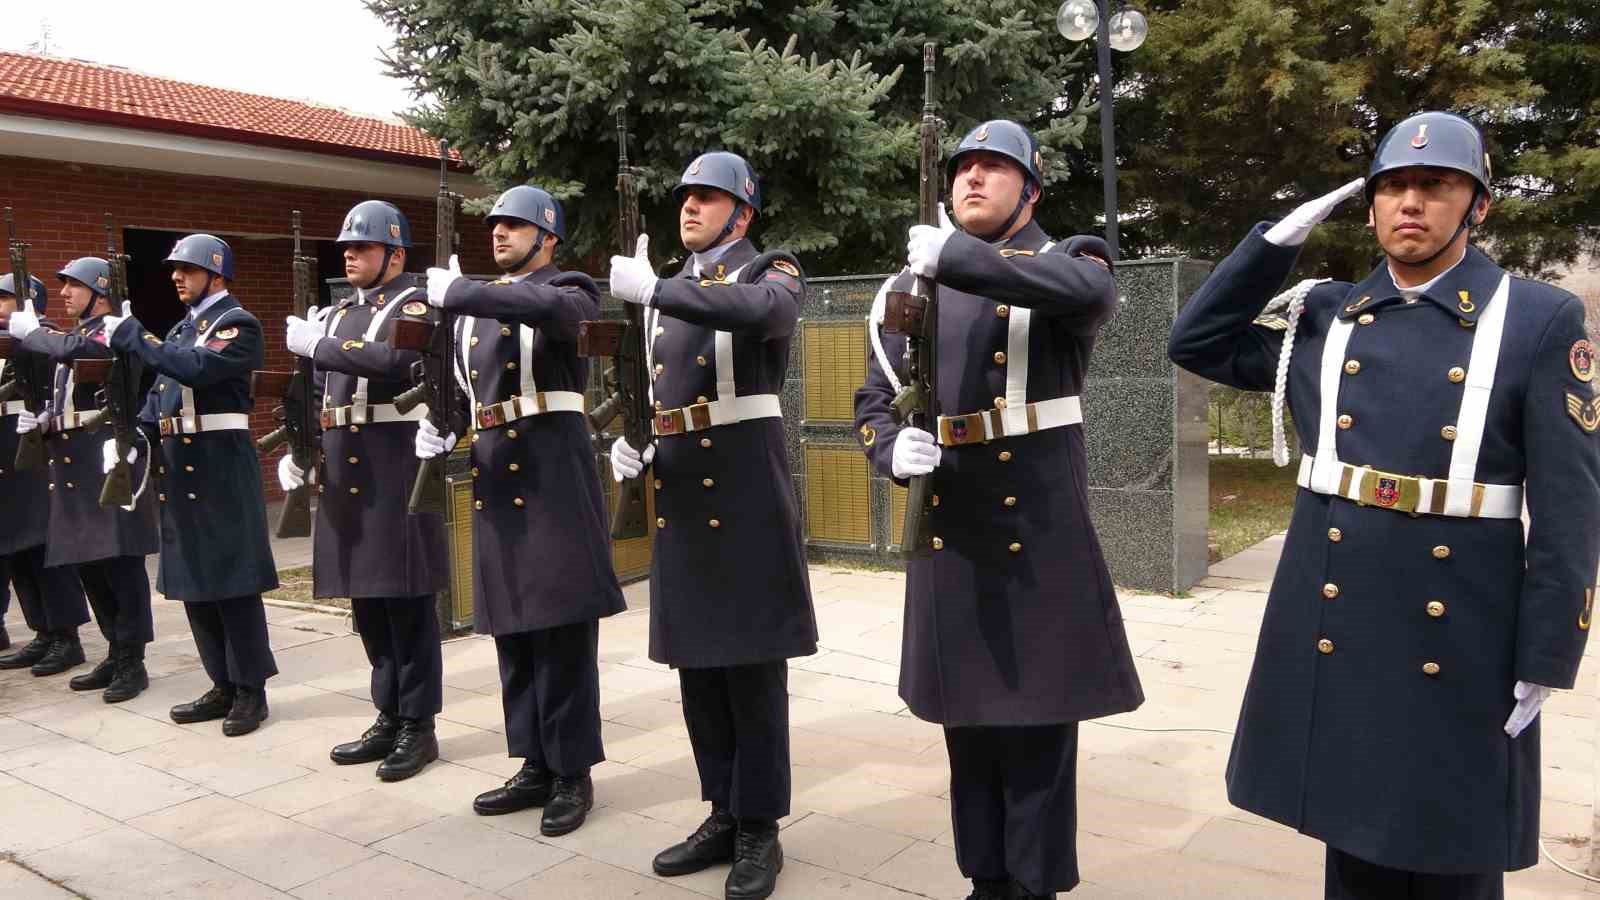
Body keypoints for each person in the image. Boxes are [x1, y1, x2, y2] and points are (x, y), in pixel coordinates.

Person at [1167, 111, 1599, 899]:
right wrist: (1272, 246)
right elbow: (1195, 341)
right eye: (1393, 186)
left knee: (1453, 848)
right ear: (1368, 206)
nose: (1411, 202)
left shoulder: (1536, 319)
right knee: (1351, 832)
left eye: (1436, 186)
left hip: (1463, 626)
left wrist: (1548, 654)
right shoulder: (1326, 315)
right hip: (1339, 615)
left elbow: (1570, 508)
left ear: (1477, 206)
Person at [853, 119, 1145, 900]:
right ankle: (986, 878)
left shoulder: (1068, 259)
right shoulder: (908, 286)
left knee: (1040, 730)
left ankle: (1034, 884)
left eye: (995, 168)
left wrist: (959, 258)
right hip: (951, 526)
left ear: (1032, 189)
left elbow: (1090, 295)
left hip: (1034, 532)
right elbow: (875, 399)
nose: (974, 179)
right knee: (968, 728)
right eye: (964, 169)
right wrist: (889, 449)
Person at [607, 151, 817, 900]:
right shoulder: (672, 290)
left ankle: (761, 827)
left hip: (745, 484)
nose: (690, 208)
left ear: (743, 214)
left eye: (709, 198)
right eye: (686, 198)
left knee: (753, 667)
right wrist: (635, 437)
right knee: (698, 665)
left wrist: (661, 289)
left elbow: (769, 316)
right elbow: (653, 383)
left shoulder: (771, 269)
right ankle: (722, 810)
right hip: (686, 491)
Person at [417, 185, 624, 835]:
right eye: (496, 225)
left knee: (561, 633)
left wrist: (463, 293)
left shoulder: (571, 290)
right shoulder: (473, 309)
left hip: (552, 476)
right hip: (496, 474)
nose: (500, 233)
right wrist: (441, 429)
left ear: (549, 238)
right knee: (514, 629)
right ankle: (533, 760)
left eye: (516, 225)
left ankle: (571, 771)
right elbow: (455, 386)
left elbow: (546, 311)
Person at [281, 201, 447, 780]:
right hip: (346, 470)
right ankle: (388, 712)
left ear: (395, 254)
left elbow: (398, 359)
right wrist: (300, 452)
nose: (349, 254)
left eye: (363, 246)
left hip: (393, 465)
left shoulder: (416, 302)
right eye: (346, 247)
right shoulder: (334, 314)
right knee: (368, 605)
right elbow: (316, 391)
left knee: (406, 601)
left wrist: (318, 345)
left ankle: (418, 725)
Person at [105, 234, 280, 736]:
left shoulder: (236, 324)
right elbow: (162, 393)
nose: (177, 276)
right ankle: (221, 682)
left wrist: (134, 333)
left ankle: (250, 690)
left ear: (216, 272)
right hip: (180, 467)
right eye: (174, 269)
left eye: (187, 268)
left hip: (220, 467)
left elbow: (195, 370)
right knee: (196, 583)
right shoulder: (185, 327)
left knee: (233, 582)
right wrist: (134, 436)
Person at [11, 258, 159, 700]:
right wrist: (45, 421)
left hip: (105, 458)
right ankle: (114, 650)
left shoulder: (113, 331)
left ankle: (132, 659)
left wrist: (34, 331)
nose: (63, 293)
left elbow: (77, 349)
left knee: (120, 563)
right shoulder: (76, 336)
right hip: (73, 463)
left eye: (73, 285)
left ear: (99, 290)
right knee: (89, 562)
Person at [0, 273, 91, 674]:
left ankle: (66, 635)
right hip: (8, 455)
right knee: (17, 550)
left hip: (36, 456)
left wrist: (30, 334)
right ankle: (42, 632)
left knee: (44, 550)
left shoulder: (44, 338)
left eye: (4, 300)